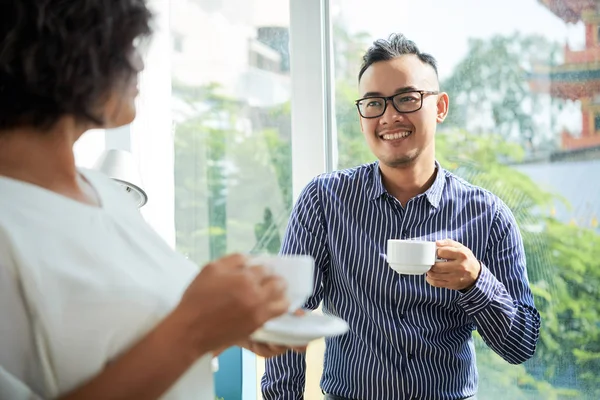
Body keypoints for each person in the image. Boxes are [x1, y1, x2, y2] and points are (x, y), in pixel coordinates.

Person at [0, 1, 298, 399]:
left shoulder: (107, 192)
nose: (138, 65)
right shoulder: (10, 223)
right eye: (125, 46)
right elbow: (176, 337)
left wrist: (225, 327)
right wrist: (193, 330)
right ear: (63, 56)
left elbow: (129, 344)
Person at [262, 33, 541, 400]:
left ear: (440, 106)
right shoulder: (325, 201)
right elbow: (287, 308)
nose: (390, 116)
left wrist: (476, 281)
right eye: (374, 103)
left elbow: (520, 346)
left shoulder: (488, 216)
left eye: (407, 98)